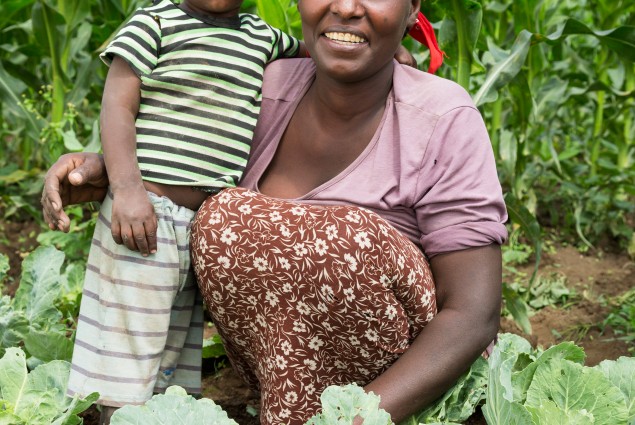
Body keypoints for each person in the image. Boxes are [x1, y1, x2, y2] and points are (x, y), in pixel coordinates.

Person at [42, 0, 507, 424]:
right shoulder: (258, 88)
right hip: (280, 374)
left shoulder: (442, 117)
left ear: (412, 10)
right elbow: (191, 158)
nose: (346, 8)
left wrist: (354, 419)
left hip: (405, 391)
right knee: (225, 218)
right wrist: (121, 177)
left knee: (333, 236)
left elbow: (473, 313)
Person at [64, 0, 304, 422]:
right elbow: (117, 106)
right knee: (129, 337)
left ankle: (157, 413)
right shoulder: (155, 22)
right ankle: (118, 415)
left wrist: (388, 49)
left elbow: (318, 51)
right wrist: (127, 189)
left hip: (199, 224)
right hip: (145, 211)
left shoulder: (260, 35)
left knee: (171, 337)